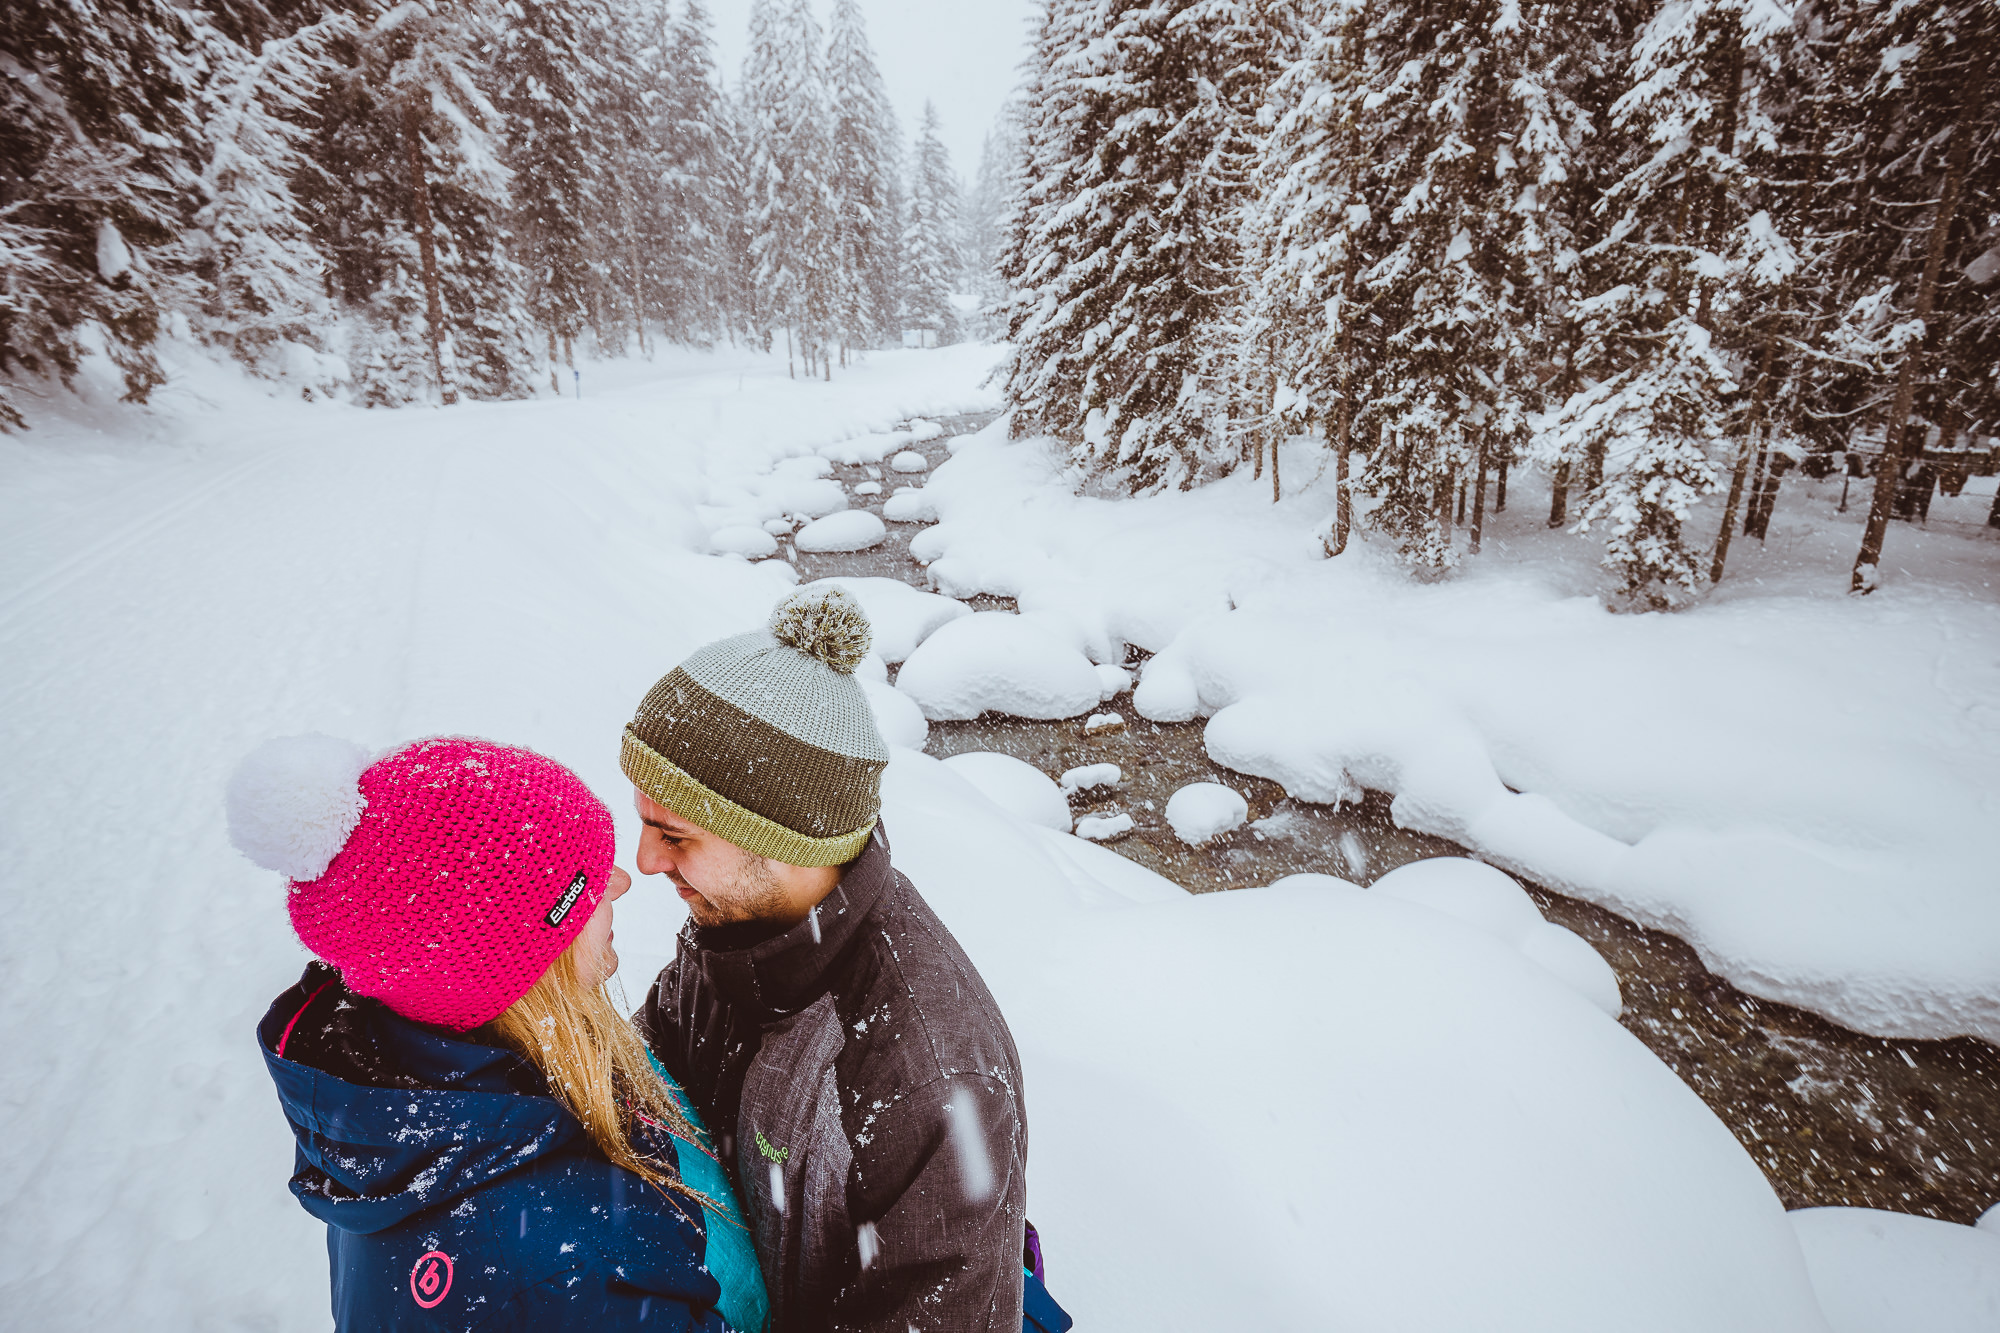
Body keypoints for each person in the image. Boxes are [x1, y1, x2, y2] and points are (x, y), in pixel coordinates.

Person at [618, 586, 1071, 1333]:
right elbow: (649, 1076)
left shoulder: (929, 1073)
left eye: (674, 834)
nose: (643, 859)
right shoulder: (738, 928)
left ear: (777, 837)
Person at [231, 733, 769, 1331]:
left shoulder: (436, 1101)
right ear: (520, 966)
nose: (620, 881)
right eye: (583, 885)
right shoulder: (555, 1276)